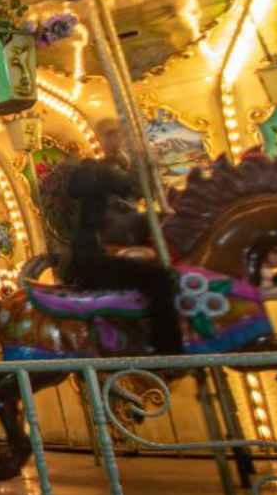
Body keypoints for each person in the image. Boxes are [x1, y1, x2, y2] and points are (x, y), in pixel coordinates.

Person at [40, 120, 182, 355]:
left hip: (113, 252)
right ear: (99, 139)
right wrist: (139, 164)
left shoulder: (113, 174)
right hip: (94, 257)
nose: (118, 139)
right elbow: (128, 188)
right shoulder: (92, 171)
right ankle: (168, 352)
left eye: (120, 134)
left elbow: (137, 196)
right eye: (111, 134)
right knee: (159, 281)